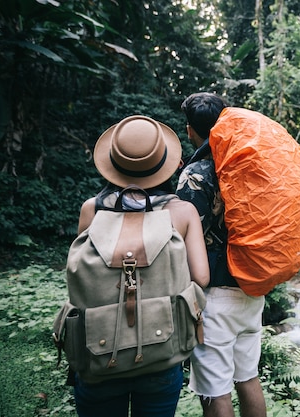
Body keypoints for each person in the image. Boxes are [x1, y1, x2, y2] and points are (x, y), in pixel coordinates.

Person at [74, 114, 210, 417]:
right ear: (164, 164)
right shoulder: (182, 212)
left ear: (112, 162)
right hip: (160, 352)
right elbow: (201, 277)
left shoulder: (91, 210)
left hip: (98, 351)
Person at [176, 93, 267, 417]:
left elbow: (184, 235)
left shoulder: (198, 172)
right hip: (251, 285)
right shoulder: (248, 164)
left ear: (190, 130)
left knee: (215, 391)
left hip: (214, 292)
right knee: (248, 377)